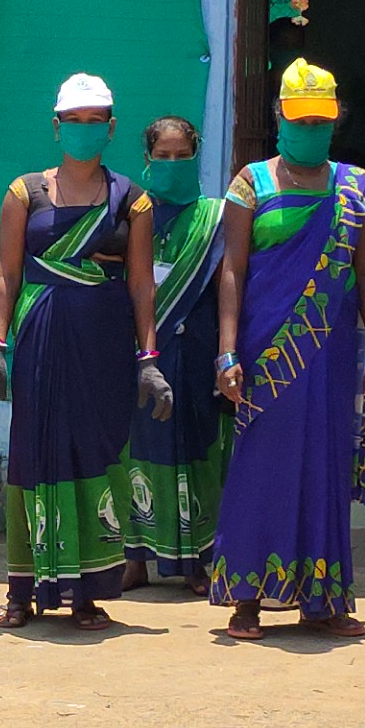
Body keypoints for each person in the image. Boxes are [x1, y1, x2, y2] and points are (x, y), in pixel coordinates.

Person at [208, 60, 365, 639]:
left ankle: (325, 601)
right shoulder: (251, 183)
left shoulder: (356, 187)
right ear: (281, 118)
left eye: (320, 118)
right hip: (267, 352)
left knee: (325, 465)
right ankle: (247, 599)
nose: (310, 127)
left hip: (333, 350)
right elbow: (233, 269)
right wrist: (227, 351)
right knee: (261, 468)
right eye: (300, 118)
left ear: (335, 119)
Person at [0, 73, 168, 630]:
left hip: (104, 348)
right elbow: (7, 276)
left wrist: (148, 361)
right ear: (57, 126)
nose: (84, 131)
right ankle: (21, 591)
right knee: (34, 457)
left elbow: (140, 286)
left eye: (95, 122)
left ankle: (87, 594)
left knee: (97, 455)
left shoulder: (132, 200)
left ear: (110, 128)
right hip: (40, 342)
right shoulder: (24, 193)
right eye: (74, 121)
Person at [122, 115, 231, 592]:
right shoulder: (131, 212)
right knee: (137, 450)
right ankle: (133, 557)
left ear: (196, 155)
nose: (171, 164)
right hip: (143, 350)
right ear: (147, 161)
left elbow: (231, 287)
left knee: (197, 446)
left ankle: (197, 561)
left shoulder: (218, 217)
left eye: (180, 156)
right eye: (161, 157)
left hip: (197, 346)